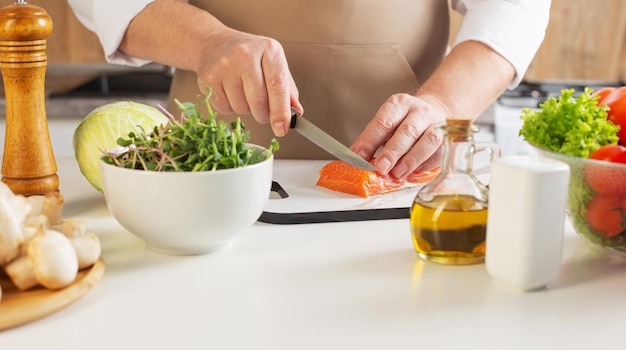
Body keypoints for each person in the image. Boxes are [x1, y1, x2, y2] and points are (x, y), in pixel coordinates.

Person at [67, 0, 550, 178]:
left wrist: (444, 103)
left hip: (394, 182)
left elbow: (515, 7)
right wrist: (207, 41)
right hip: (200, 182)